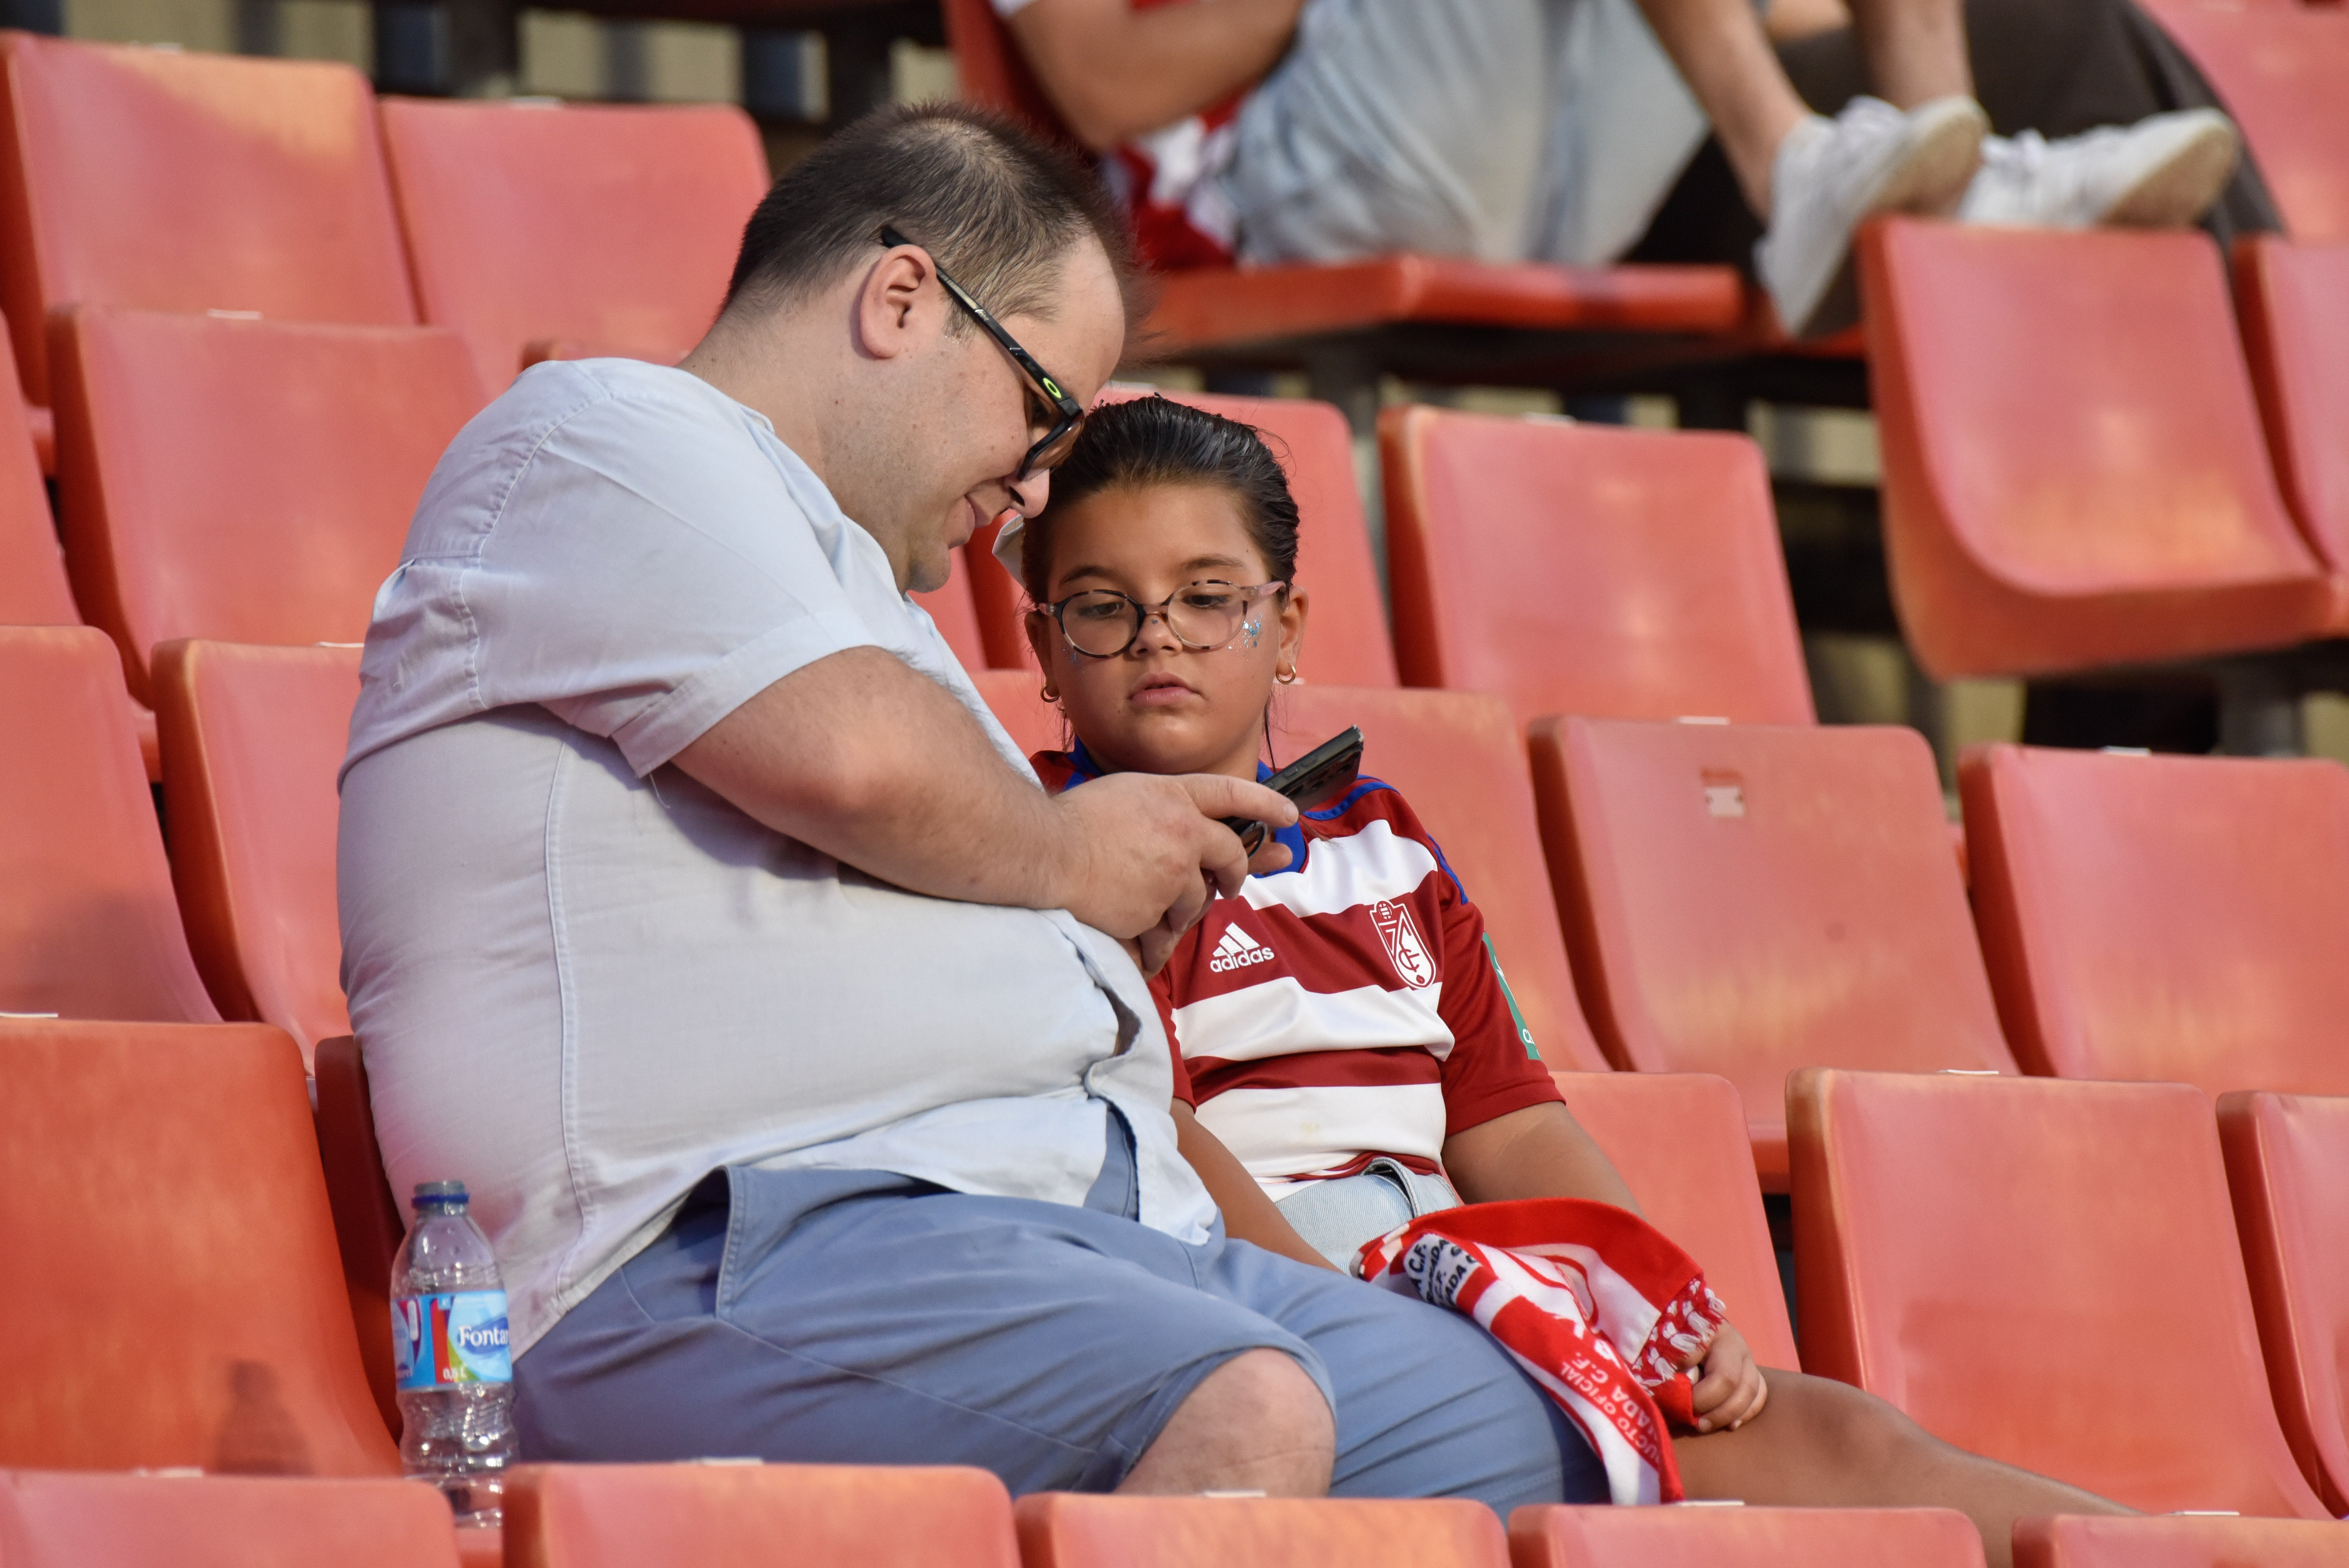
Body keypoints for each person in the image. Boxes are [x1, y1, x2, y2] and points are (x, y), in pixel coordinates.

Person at [339, 101, 1628, 1509]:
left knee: (1555, 1437)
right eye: (1042, 414)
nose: (1029, 491)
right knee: (1238, 1413)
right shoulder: (603, 435)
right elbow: (857, 765)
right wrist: (1075, 859)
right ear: (902, 300)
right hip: (710, 1254)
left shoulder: (856, 599)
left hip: (1075, 1242)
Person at [1011, 393, 2133, 1565]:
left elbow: (1509, 1121)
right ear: (1043, 645)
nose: (1158, 638)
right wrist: (1361, 1337)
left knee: (1845, 1448)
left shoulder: (1387, 844)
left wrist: (1647, 1303)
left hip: (1453, 1298)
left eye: (1208, 599)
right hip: (1262, 1336)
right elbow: (1162, 1135)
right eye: (1103, 608)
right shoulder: (1053, 854)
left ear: (1286, 627)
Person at [994, 0, 2244, 334]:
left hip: (1555, 172)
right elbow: (1104, 81)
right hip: (1283, 191)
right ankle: (1791, 167)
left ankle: (1938, 155)